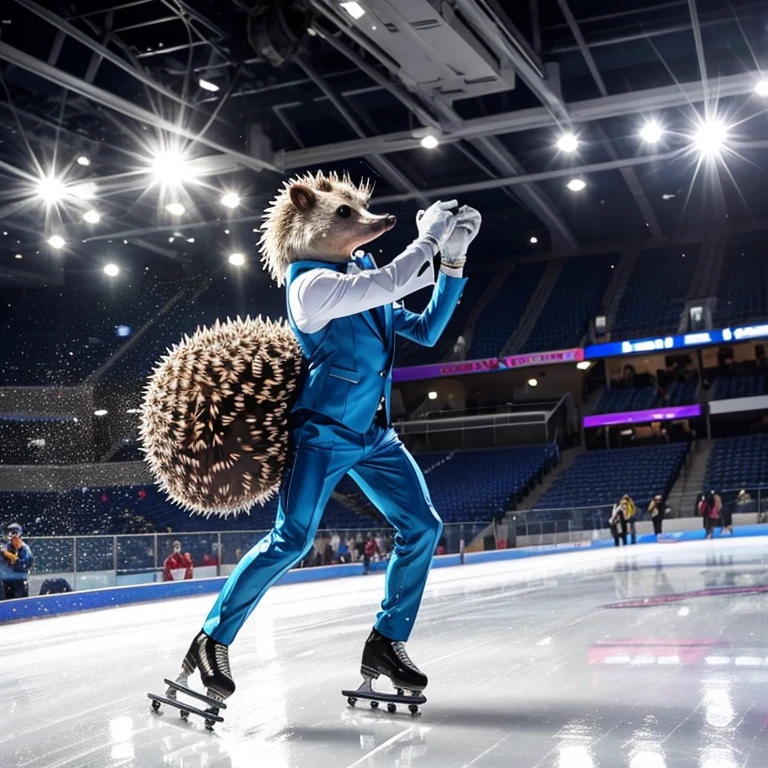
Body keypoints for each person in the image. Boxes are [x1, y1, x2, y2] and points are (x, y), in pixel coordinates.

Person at [169, 181, 481, 713]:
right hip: (324, 436)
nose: (365, 220)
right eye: (346, 215)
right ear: (307, 221)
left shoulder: (361, 281)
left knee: (423, 527)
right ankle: (211, 640)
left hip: (375, 436)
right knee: (291, 539)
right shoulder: (308, 286)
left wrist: (452, 263)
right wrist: (428, 242)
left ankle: (386, 640)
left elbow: (427, 331)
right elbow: (394, 279)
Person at [0, 523, 33, 599]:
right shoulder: (3, 546)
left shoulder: (23, 547)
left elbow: (27, 564)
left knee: (19, 603)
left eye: (14, 532)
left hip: (19, 580)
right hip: (3, 580)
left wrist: (17, 554)